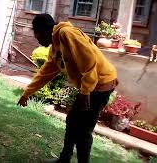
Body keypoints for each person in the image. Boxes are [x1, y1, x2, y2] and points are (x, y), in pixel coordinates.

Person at [17, 14, 118, 163]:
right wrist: (27, 93)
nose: (37, 40)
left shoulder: (67, 34)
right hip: (90, 86)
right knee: (73, 120)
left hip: (101, 83)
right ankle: (65, 159)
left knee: (84, 129)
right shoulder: (55, 48)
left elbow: (90, 62)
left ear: (44, 30)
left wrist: (84, 94)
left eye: (37, 35)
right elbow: (45, 73)